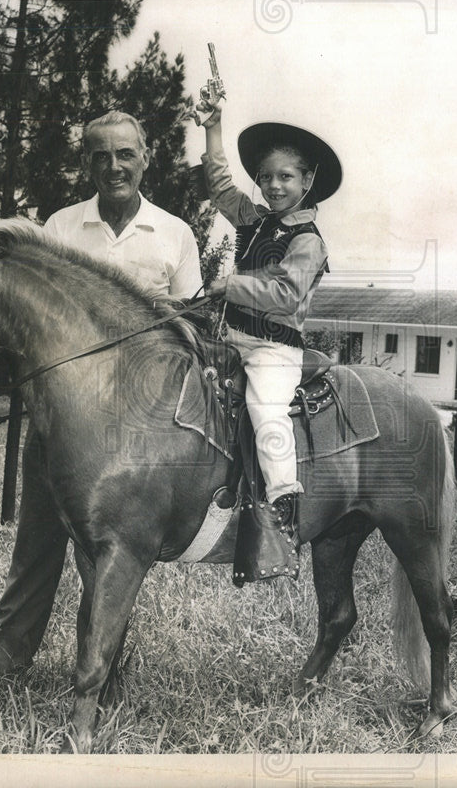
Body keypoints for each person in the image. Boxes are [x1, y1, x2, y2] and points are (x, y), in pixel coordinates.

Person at [0, 110, 203, 673]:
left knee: (110, 554)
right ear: (87, 163)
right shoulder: (59, 227)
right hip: (59, 422)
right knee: (37, 544)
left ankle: (99, 673)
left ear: (146, 156)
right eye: (101, 155)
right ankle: (5, 663)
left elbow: (193, 332)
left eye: (125, 153)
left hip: (133, 432)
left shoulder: (175, 233)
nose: (114, 166)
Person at [198, 98, 341, 582]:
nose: (274, 186)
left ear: (307, 182)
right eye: (266, 177)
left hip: (273, 350)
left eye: (285, 177)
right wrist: (213, 129)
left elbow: (285, 293)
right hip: (229, 338)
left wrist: (229, 285)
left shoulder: (309, 240)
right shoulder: (255, 220)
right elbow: (220, 187)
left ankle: (282, 509)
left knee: (265, 410)